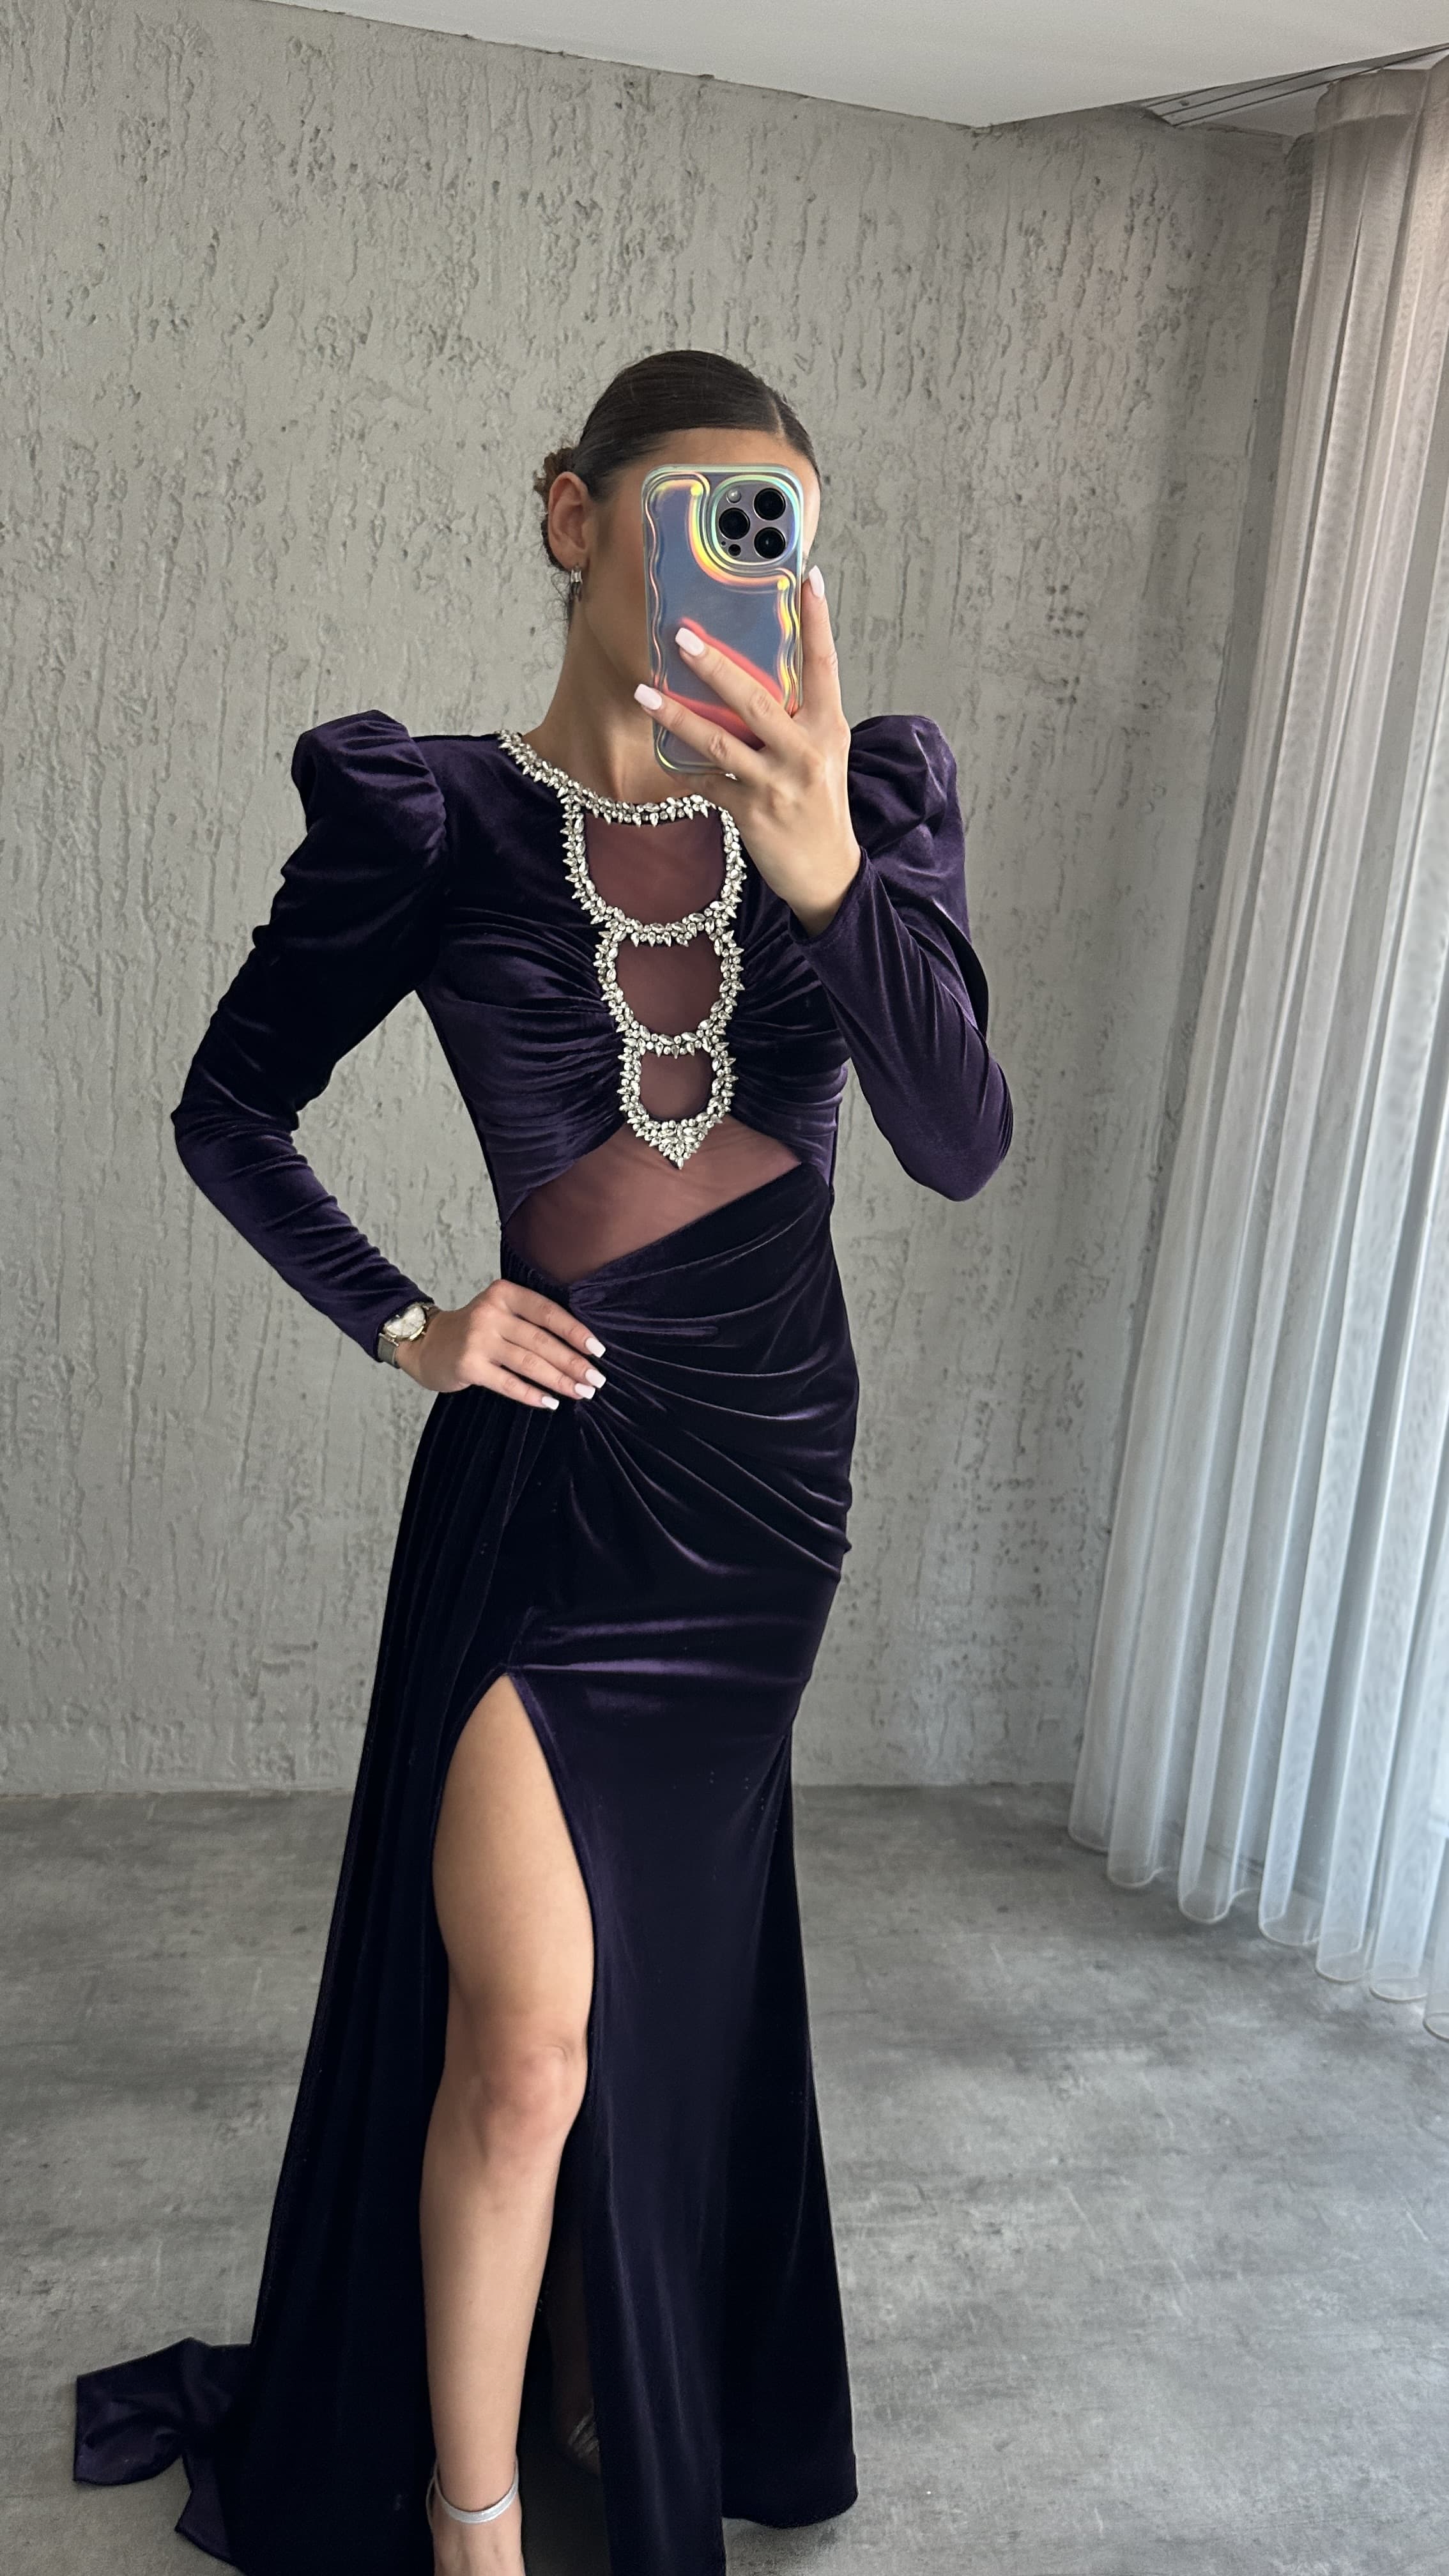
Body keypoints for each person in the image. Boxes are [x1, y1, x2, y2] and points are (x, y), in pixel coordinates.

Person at [72, 348, 1013, 2576]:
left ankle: (599, 2349)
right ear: (574, 515)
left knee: (650, 1994)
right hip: (555, 1471)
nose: (732, 563)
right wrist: (410, 1320)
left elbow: (961, 1141)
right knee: (524, 2043)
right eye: (690, 512)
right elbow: (229, 1109)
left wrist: (819, 867)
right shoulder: (431, 817)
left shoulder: (869, 797)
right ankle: (471, 2518)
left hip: (766, 1481)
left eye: (775, 531)